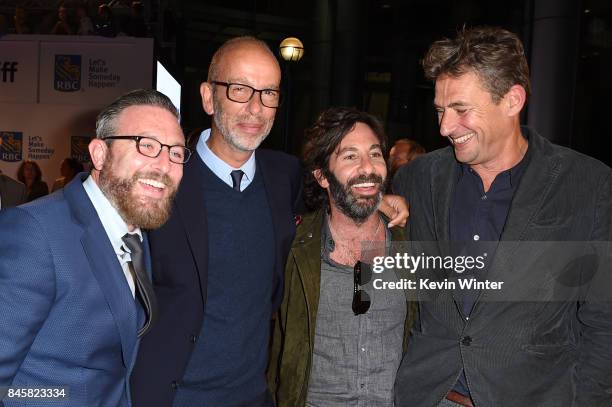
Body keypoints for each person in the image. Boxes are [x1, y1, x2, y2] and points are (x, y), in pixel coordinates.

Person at [131, 36, 407, 407]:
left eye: (269, 93)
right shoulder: (162, 180)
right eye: (240, 90)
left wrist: (377, 198)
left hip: (253, 396)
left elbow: (337, 194)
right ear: (209, 97)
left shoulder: (285, 176)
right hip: (170, 397)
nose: (256, 108)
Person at [392, 26, 612, 407]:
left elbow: (604, 319)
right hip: (431, 395)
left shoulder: (587, 183)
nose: (445, 127)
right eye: (441, 111)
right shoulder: (416, 178)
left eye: (461, 110)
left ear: (512, 100)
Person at [0, 89, 187, 406]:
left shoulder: (135, 232)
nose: (165, 165)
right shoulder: (35, 232)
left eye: (177, 153)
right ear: (100, 154)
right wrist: (62, 396)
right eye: (148, 146)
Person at [268, 107, 415, 406]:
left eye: (375, 154)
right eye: (350, 156)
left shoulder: (410, 242)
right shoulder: (293, 247)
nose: (368, 167)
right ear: (322, 176)